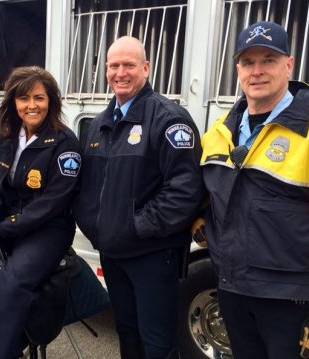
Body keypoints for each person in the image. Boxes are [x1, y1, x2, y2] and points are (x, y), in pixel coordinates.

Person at [198, 21, 309, 358]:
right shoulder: (220, 132)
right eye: (248, 62)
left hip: (291, 303)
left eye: (269, 60)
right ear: (237, 68)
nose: (257, 71)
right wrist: (200, 221)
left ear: (289, 65)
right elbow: (208, 190)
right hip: (233, 291)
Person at [74, 36, 205, 359]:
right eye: (114, 65)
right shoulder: (101, 123)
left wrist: (135, 227)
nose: (121, 72)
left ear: (145, 68)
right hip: (113, 253)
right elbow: (89, 185)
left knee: (157, 342)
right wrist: (96, 227)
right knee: (127, 332)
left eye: (129, 65)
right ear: (106, 70)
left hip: (152, 255)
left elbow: (184, 191)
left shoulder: (169, 119)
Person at [0, 65, 82, 359]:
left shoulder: (65, 143)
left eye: (39, 98)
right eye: (23, 98)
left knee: (13, 280)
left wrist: (3, 228)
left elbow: (54, 202)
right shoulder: (7, 136)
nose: (31, 105)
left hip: (48, 229)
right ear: (13, 103)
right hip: (4, 220)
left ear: (51, 102)